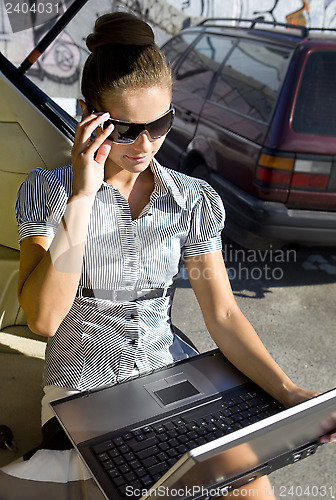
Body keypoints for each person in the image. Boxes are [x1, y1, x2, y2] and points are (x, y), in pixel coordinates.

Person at [15, 12, 334, 499]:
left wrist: (287, 391)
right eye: (126, 129)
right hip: (82, 390)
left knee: (251, 487)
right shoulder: (49, 192)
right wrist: (82, 199)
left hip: (171, 379)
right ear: (88, 115)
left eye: (159, 124)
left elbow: (223, 314)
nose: (146, 145)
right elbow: (43, 318)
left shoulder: (192, 200)